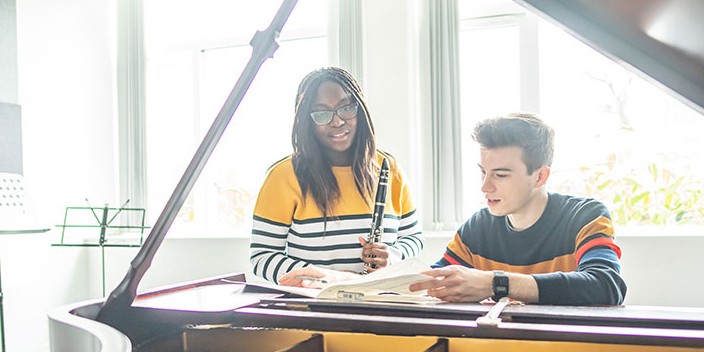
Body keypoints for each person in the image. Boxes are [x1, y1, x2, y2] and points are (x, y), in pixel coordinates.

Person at [410, 113, 626, 305]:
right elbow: (432, 283)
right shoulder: (478, 227)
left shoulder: (585, 217)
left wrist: (495, 284)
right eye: (483, 172)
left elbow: (606, 286)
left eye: (500, 175)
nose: (485, 186)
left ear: (540, 176)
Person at [250, 67, 423, 287]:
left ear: (359, 109)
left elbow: (414, 238)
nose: (337, 122)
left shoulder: (389, 169)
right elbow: (261, 257)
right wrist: (318, 278)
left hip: (379, 303)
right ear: (307, 121)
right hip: (315, 310)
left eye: (346, 109)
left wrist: (394, 256)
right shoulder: (283, 176)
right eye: (322, 114)